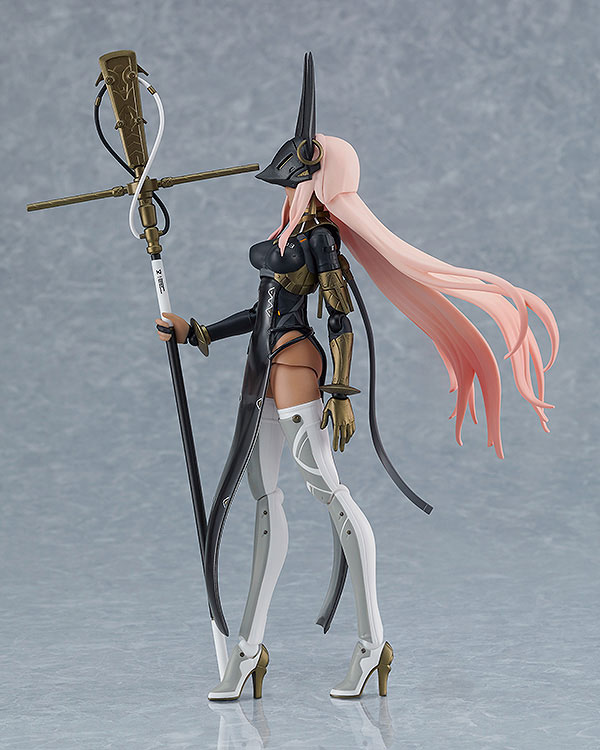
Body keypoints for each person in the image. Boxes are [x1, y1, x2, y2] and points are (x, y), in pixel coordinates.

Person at [156, 53, 558, 701]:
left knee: (328, 493)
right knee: (261, 499)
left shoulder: (319, 240)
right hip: (263, 367)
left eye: (300, 171)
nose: (289, 182)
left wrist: (341, 394)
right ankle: (249, 651)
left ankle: (372, 645)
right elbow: (264, 309)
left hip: (297, 367)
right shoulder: (287, 230)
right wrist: (197, 331)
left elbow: (339, 319)